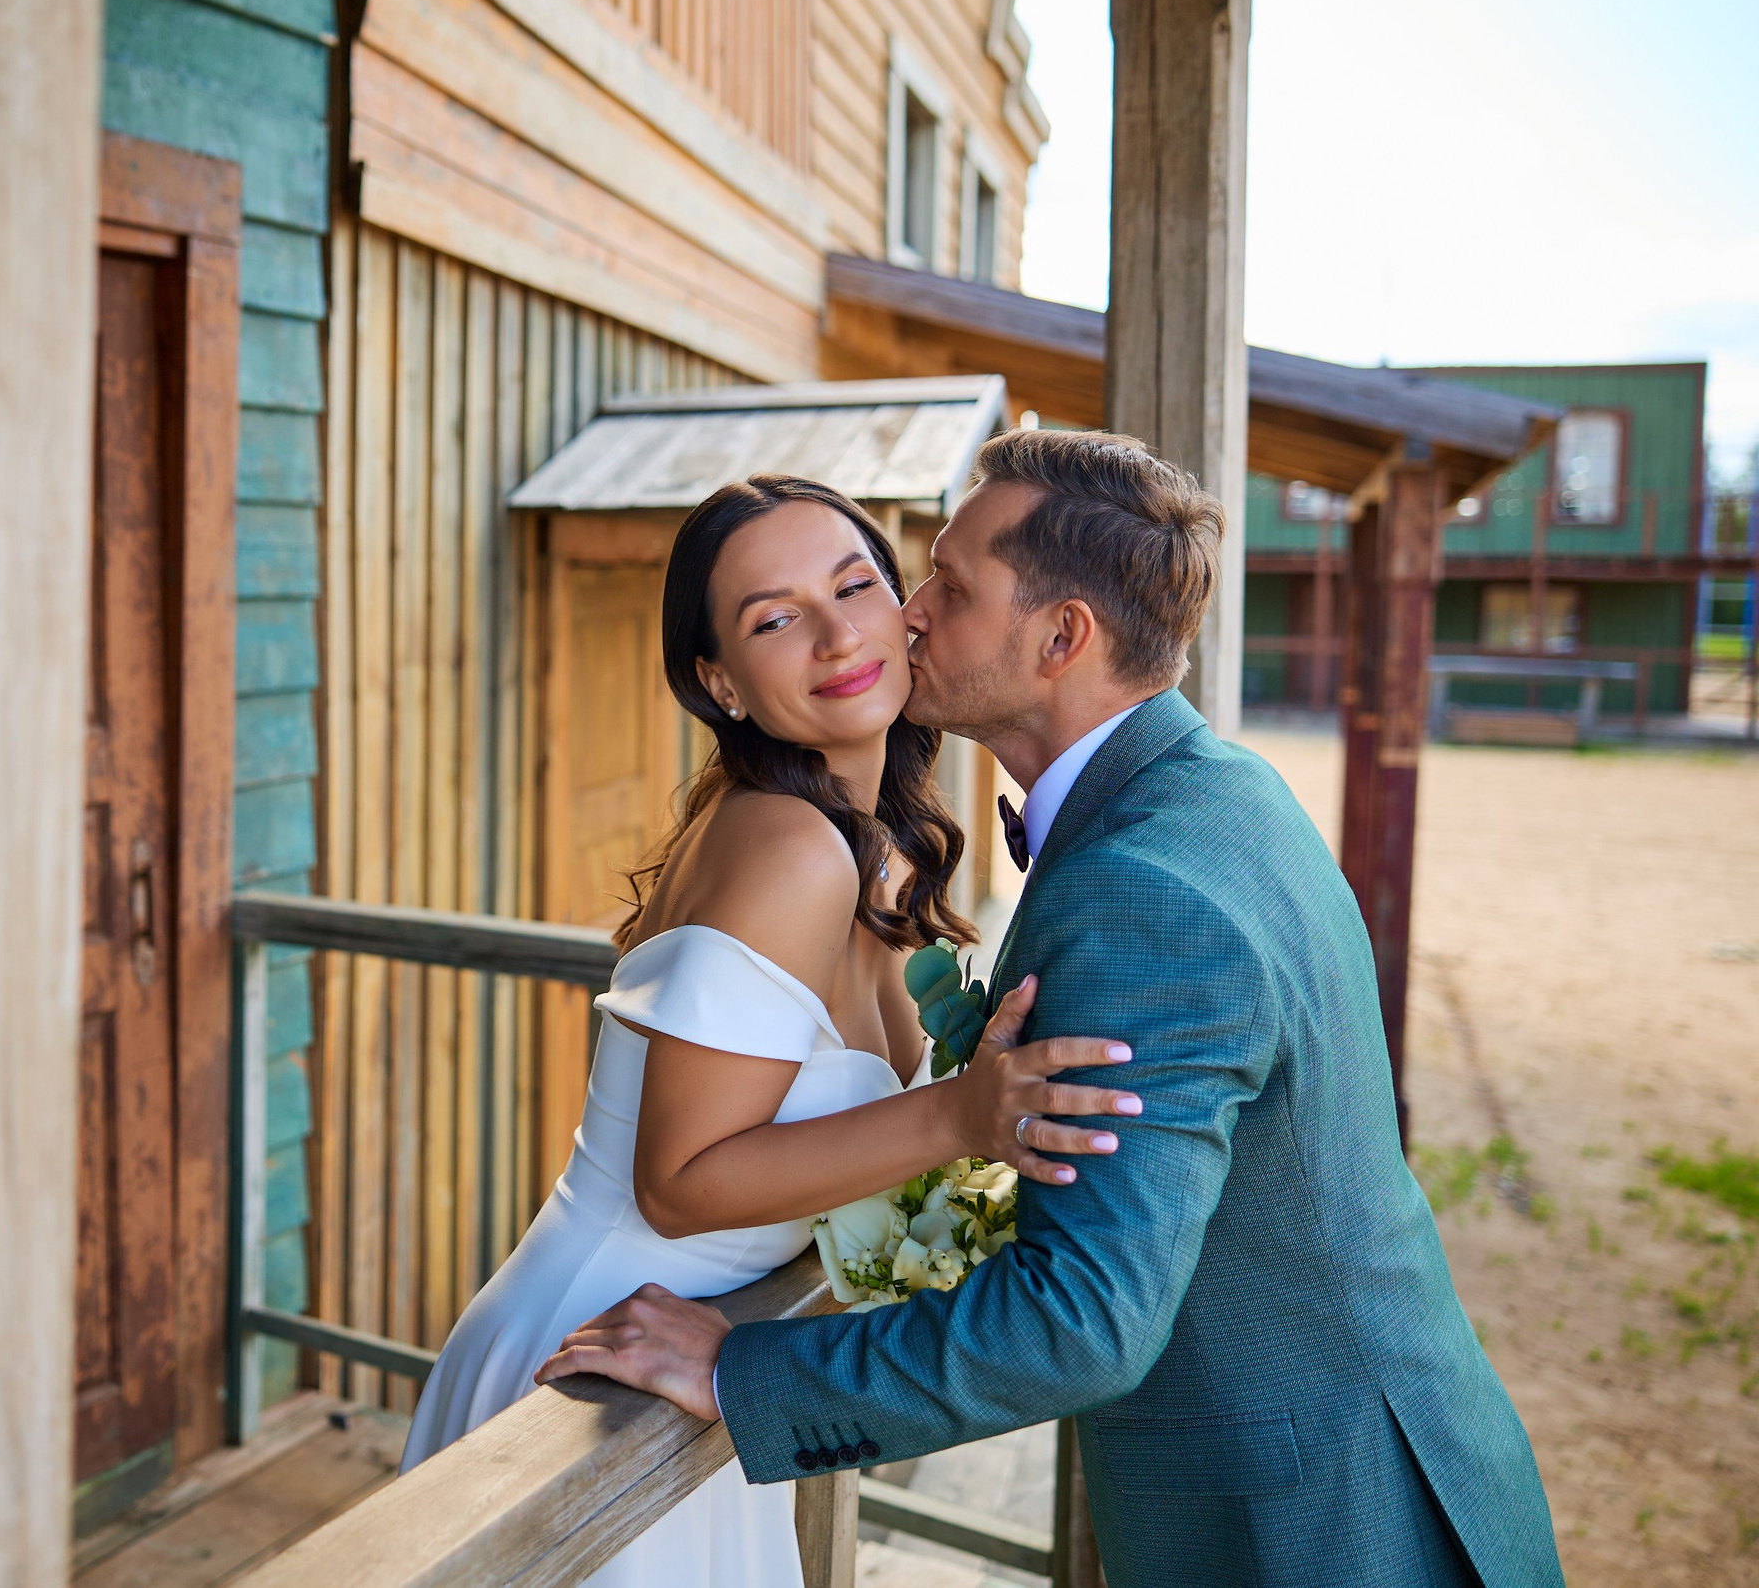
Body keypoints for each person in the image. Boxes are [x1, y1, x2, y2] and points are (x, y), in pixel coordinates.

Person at [537, 432, 1563, 1588]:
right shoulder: (1221, 790)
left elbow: (1078, 1321)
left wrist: (747, 1372)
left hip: (1315, 1527)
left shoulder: (1140, 892)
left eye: (948, 586)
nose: (907, 614)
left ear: (1060, 636)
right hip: (1375, 1459)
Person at [397, 475, 1144, 1588]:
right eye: (774, 618)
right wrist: (959, 1116)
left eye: (855, 585)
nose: (838, 633)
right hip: (595, 1364)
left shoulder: (871, 848)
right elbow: (680, 1184)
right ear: (718, 681)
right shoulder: (788, 847)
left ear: (907, 608)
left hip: (687, 1351)